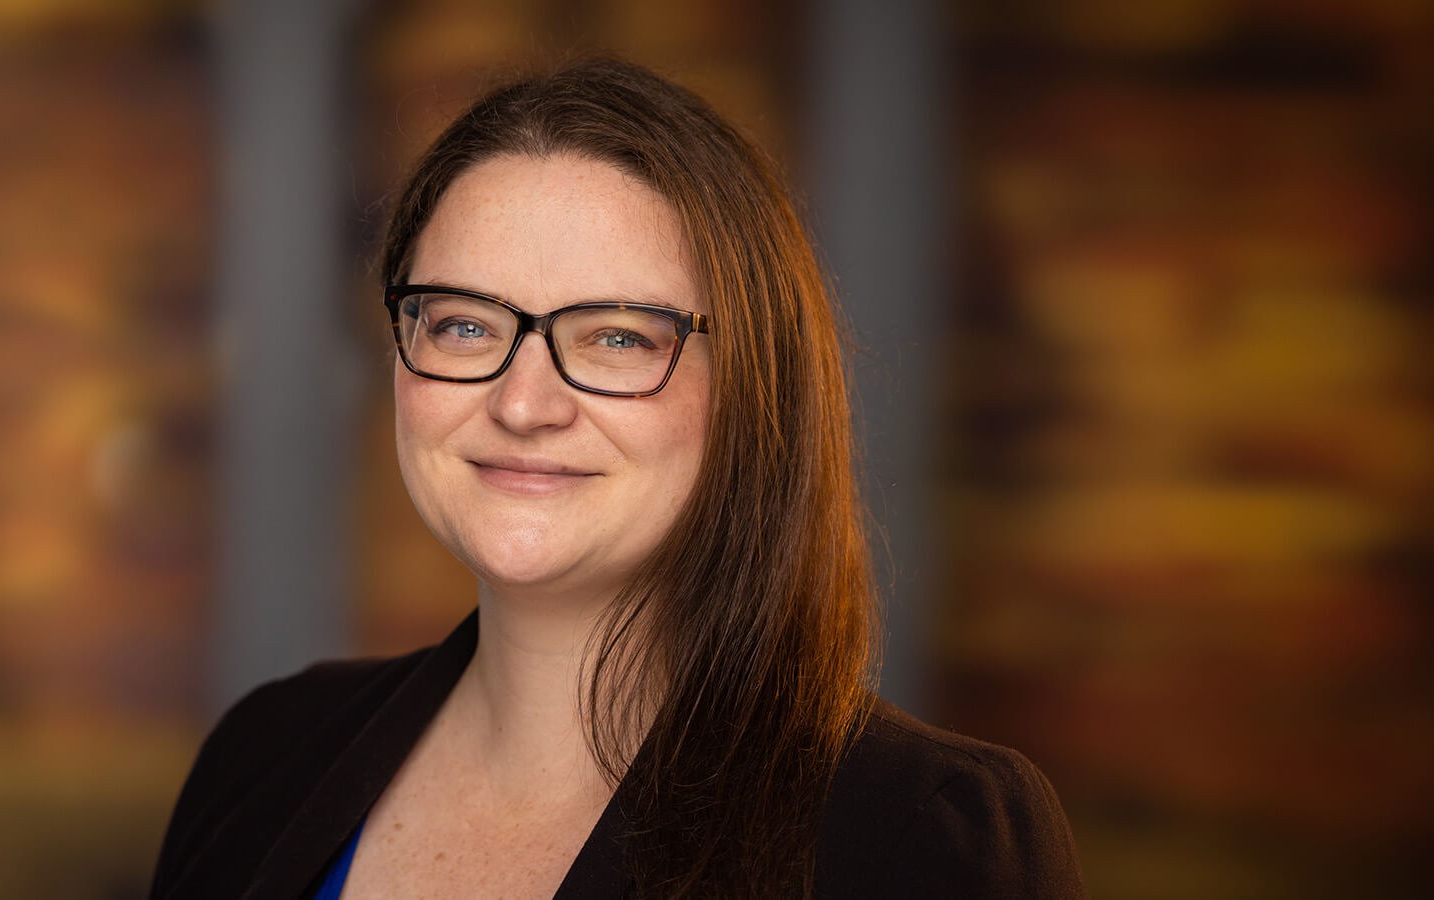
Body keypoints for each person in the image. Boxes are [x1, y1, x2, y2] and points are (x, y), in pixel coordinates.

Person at [150, 58, 1086, 899]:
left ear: (755, 386)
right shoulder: (267, 755)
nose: (524, 404)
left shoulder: (919, 835)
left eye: (617, 337)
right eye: (465, 324)